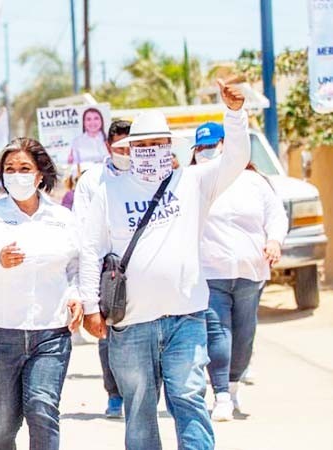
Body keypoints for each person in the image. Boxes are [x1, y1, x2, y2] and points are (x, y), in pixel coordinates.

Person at [78, 79, 250, 450]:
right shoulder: (109, 192)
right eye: (143, 145)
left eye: (159, 144)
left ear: (170, 147)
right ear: (130, 150)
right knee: (139, 409)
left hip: (185, 317)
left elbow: (235, 158)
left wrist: (234, 114)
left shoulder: (194, 182)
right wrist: (91, 308)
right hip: (130, 324)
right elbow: (91, 250)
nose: (151, 151)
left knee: (189, 398)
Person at [0, 137, 83, 450]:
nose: (17, 174)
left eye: (24, 168)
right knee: (2, 424)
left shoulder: (62, 219)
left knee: (42, 410)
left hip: (51, 332)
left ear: (40, 173)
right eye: (10, 168)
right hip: (0, 332)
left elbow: (75, 266)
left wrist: (76, 294)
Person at [191, 121, 288, 421]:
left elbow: (276, 216)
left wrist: (273, 240)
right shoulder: (192, 181)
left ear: (228, 146)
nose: (208, 153)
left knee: (244, 337)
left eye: (213, 146)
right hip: (210, 271)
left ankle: (232, 387)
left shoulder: (255, 182)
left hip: (251, 271)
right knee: (218, 334)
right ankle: (220, 395)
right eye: (202, 148)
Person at [71, 119, 131, 419]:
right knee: (107, 334)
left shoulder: (148, 175)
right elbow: (82, 232)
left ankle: (137, 393)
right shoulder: (92, 181)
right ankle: (115, 394)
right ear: (108, 146)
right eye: (120, 146)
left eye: (131, 146)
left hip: (140, 270)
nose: (127, 152)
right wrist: (86, 290)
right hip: (105, 270)